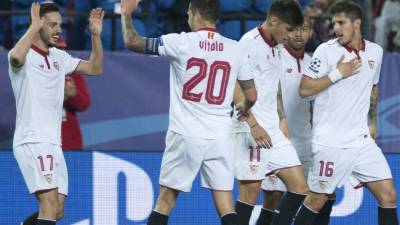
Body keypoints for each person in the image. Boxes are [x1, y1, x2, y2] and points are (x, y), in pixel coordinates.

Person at [120, 0, 257, 225]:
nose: (187, 18)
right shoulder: (235, 48)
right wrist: (243, 109)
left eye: (189, 14)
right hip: (221, 135)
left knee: (165, 202)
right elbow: (251, 96)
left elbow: (131, 41)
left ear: (197, 14)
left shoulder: (180, 42)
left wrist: (126, 14)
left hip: (186, 132)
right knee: (226, 206)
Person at [294, 1, 399, 225]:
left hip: (361, 142)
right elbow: (304, 89)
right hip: (330, 142)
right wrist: (337, 74)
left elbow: (373, 88)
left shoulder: (376, 52)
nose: (337, 28)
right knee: (317, 199)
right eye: (334, 23)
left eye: (341, 23)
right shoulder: (326, 51)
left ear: (357, 23)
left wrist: (372, 121)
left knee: (388, 194)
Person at [8, 2, 104, 225]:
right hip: (33, 139)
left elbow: (95, 68)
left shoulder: (59, 58)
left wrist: (96, 36)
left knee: (57, 211)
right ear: (39, 25)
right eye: (52, 25)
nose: (58, 30)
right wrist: (32, 27)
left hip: (53, 143)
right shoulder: (23, 54)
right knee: (49, 208)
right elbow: (15, 58)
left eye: (59, 25)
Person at [232, 1, 308, 225]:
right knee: (249, 195)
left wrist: (282, 117)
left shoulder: (277, 46)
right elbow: (233, 85)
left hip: (272, 130)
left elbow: (273, 87)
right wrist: (253, 125)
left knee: (299, 189)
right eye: (288, 29)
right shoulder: (248, 43)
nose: (291, 35)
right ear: (273, 21)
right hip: (249, 128)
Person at [251, 14, 316, 225]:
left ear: (311, 32)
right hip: (279, 138)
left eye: (304, 29)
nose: (299, 34)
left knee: (310, 195)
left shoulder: (313, 62)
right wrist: (281, 118)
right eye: (295, 28)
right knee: (272, 198)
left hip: (305, 139)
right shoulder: (275, 54)